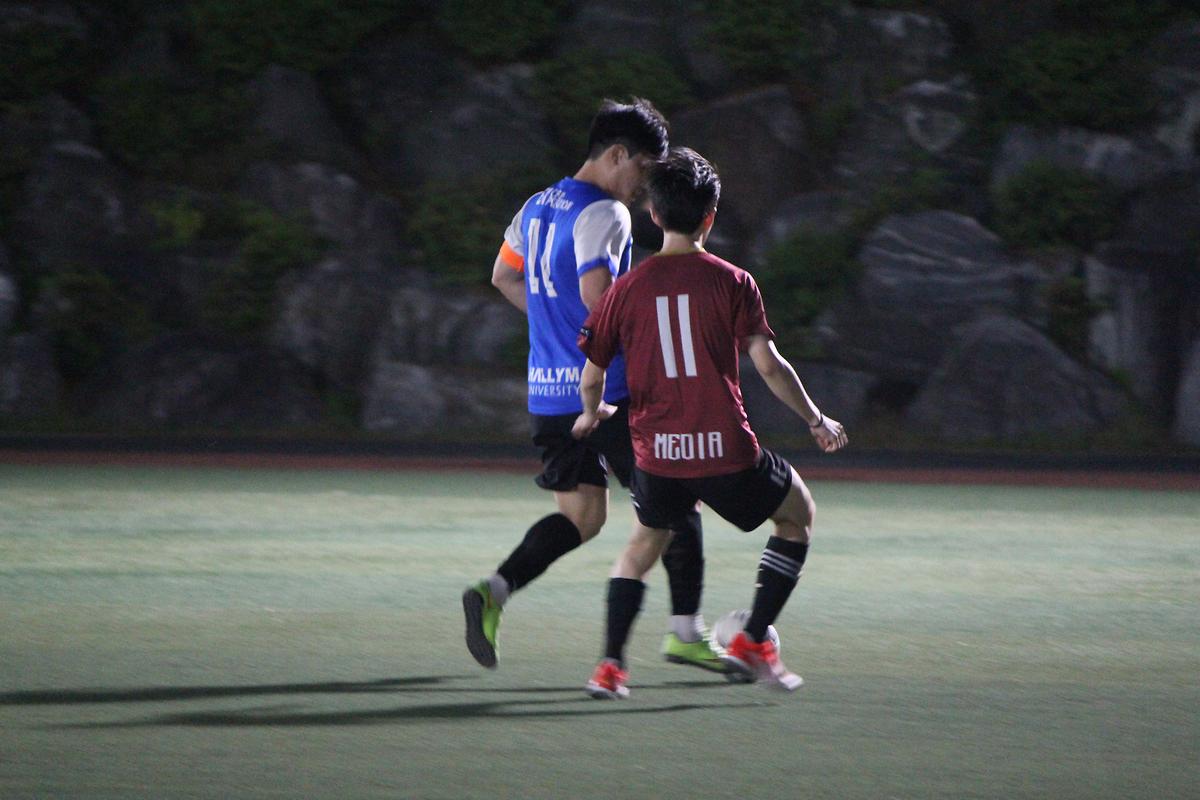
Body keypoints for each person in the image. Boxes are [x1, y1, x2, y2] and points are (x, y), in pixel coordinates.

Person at [462, 100, 728, 675]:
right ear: (617, 156)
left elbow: (503, 276)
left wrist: (559, 329)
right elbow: (598, 296)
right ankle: (685, 632)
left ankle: (493, 591)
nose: (646, 186)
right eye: (644, 169)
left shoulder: (537, 205)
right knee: (679, 497)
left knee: (582, 517)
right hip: (610, 396)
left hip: (547, 394)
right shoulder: (606, 212)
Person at [572, 147, 848, 699]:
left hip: (657, 455)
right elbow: (768, 365)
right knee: (797, 516)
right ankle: (752, 640)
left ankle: (609, 667)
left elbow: (591, 376)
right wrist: (816, 419)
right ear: (710, 217)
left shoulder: (625, 289)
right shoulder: (733, 281)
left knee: (641, 545)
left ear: (654, 214)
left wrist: (590, 414)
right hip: (724, 450)